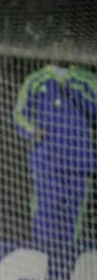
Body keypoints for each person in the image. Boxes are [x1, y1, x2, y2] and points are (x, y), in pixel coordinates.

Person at [13, 63, 97, 246]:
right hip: (46, 159)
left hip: (79, 159)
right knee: (46, 207)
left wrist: (75, 94)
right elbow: (19, 115)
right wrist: (33, 130)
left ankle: (67, 254)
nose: (62, 46)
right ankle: (42, 251)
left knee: (74, 211)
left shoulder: (87, 79)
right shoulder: (36, 80)